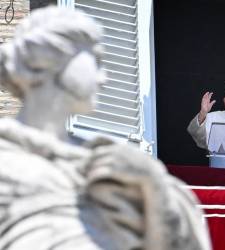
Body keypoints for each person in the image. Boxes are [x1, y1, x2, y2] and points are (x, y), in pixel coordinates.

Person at [0, 7, 210, 250]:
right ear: (48, 60)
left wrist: (153, 188)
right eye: (95, 60)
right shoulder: (8, 161)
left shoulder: (116, 165)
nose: (104, 78)